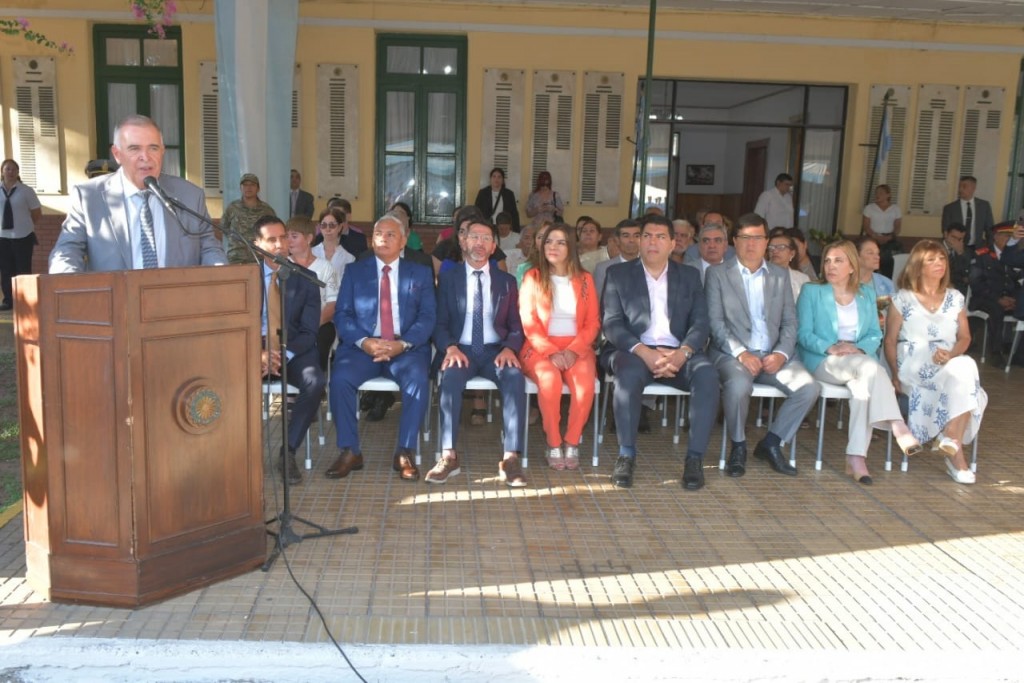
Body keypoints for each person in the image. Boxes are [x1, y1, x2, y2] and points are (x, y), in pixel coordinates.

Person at [601, 215, 720, 490]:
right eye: (647, 236)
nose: (652, 242)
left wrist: (684, 352)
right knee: (627, 376)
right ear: (639, 241)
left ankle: (694, 459)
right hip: (633, 350)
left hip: (678, 351)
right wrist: (644, 352)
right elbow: (612, 324)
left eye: (660, 237)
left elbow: (701, 322)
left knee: (707, 376)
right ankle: (626, 455)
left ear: (673, 243)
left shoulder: (689, 276)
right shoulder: (618, 275)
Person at [796, 241, 923, 485]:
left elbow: (875, 334)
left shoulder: (866, 295)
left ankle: (856, 458)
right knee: (869, 369)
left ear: (852, 266)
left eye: (838, 260)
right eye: (827, 260)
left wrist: (857, 348)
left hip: (859, 360)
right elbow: (803, 333)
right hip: (825, 359)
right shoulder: (811, 291)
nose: (831, 266)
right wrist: (831, 347)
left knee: (862, 390)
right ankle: (897, 423)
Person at [706, 213, 819, 478]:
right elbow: (715, 322)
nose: (751, 244)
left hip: (772, 356)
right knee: (738, 386)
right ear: (735, 241)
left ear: (766, 241)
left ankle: (771, 442)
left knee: (808, 387)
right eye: (744, 238)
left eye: (757, 237)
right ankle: (738, 445)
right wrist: (741, 353)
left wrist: (780, 353)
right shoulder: (718, 274)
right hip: (732, 355)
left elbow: (791, 322)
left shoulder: (780, 275)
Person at [327, 213, 436, 482]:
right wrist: (365, 342)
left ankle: (405, 451)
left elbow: (428, 317)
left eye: (390, 235)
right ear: (371, 240)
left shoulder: (419, 273)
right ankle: (350, 451)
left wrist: (403, 343)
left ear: (402, 243)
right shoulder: (355, 271)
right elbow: (342, 314)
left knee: (418, 380)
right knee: (339, 379)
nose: (383, 239)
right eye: (378, 234)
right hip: (363, 348)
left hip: (405, 348)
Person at [49, 114, 226, 273]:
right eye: (134, 148)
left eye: (153, 148)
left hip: (177, 303)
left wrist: (222, 274)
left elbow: (208, 247)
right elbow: (68, 250)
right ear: (117, 154)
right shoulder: (88, 197)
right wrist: (65, 280)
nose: (145, 157)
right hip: (116, 304)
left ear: (163, 151)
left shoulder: (189, 196)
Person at [432, 218, 527, 487]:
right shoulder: (448, 279)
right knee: (449, 381)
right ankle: (448, 456)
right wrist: (449, 347)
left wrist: (510, 347)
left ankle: (510, 458)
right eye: (474, 237)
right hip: (459, 349)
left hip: (495, 350)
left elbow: (515, 325)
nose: (480, 243)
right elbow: (438, 323)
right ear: (463, 241)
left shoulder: (506, 281)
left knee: (514, 378)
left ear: (494, 246)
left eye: (487, 239)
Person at [885, 240, 987, 484]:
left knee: (965, 367)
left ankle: (952, 443)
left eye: (941, 258)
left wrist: (950, 355)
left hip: (948, 362)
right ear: (918, 266)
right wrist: (895, 374)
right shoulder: (902, 299)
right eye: (931, 260)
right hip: (914, 362)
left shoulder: (955, 297)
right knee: (971, 386)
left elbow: (965, 337)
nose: (939, 263)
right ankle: (953, 448)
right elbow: (889, 341)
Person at [519, 223, 600, 470]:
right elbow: (529, 320)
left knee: (585, 388)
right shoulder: (532, 277)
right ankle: (554, 443)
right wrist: (552, 351)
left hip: (578, 347)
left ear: (570, 247)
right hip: (540, 347)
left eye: (560, 242)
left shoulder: (585, 280)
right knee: (550, 383)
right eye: (549, 242)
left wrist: (574, 350)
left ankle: (572, 442)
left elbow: (592, 322)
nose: (553, 247)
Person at [254, 216, 325, 485]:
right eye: (272, 240)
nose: (280, 244)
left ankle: (288, 451)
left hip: (292, 349)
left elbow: (309, 332)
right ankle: (240, 454)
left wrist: (282, 354)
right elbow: (231, 326)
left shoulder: (306, 279)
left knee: (315, 380)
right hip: (253, 348)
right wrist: (256, 353)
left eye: (284, 238)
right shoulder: (241, 277)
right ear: (257, 243)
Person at [287, 216, 340, 373]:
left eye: (294, 236)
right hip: (289, 325)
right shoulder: (283, 266)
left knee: (319, 339)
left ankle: (315, 383)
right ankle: (290, 392)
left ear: (309, 238)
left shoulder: (325, 267)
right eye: (286, 236)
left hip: (319, 324)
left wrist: (311, 325)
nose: (289, 241)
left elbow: (332, 304)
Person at [968, 223, 1019, 364]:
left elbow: (1017, 281)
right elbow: (976, 283)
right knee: (996, 309)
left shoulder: (1015, 256)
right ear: (996, 237)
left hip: (1008, 299)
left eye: (1012, 237)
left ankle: (1016, 352)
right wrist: (998, 298)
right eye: (1007, 236)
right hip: (984, 298)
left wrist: (1014, 299)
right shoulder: (981, 254)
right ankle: (996, 352)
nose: (1010, 240)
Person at [0, 159, 41, 310]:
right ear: (2, 171)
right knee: (5, 270)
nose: (10, 172)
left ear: (18, 172)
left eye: (13, 169)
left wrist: (25, 226)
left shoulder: (26, 191)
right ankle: (8, 300)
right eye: (7, 169)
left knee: (23, 270)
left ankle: (24, 300)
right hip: (3, 237)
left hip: (23, 236)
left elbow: (36, 213)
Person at [222, 173, 277, 264]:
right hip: (236, 257)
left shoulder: (266, 210)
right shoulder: (233, 207)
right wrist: (234, 240)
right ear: (241, 188)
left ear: (258, 188)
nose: (248, 188)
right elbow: (224, 227)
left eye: (252, 185)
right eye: (245, 185)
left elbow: (273, 230)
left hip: (259, 257)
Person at [942, 175, 994, 248]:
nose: (960, 189)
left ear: (973, 188)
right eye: (959, 186)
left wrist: (990, 247)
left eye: (964, 186)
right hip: (956, 247)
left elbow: (990, 229)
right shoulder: (949, 208)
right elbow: (946, 231)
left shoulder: (984, 206)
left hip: (977, 247)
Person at [594, 219, 641, 299]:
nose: (632, 240)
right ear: (617, 240)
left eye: (636, 236)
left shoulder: (650, 267)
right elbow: (600, 301)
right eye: (626, 236)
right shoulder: (603, 269)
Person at [861, 184, 902, 277]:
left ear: (888, 195)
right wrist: (876, 237)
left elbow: (898, 226)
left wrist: (889, 237)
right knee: (871, 263)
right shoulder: (869, 208)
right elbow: (866, 226)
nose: (877, 195)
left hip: (889, 239)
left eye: (881, 193)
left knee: (888, 264)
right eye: (876, 193)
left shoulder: (895, 209)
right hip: (873, 238)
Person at [311, 207, 356, 288]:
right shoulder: (311, 253)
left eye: (332, 225)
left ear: (339, 227)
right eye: (324, 225)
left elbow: (347, 286)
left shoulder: (349, 258)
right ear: (320, 228)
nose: (328, 229)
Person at [767, 230, 810, 304]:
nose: (775, 251)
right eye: (771, 247)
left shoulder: (803, 279)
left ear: (792, 253)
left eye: (781, 247)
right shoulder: (760, 275)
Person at [474, 167, 520, 232]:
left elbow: (514, 214)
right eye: (494, 176)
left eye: (499, 177)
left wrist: (516, 230)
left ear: (503, 180)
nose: (496, 179)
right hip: (487, 226)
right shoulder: (483, 193)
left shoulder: (509, 194)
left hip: (504, 227)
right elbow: (477, 211)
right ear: (490, 179)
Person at [942, 222, 971, 296]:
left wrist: (960, 254)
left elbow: (967, 274)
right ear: (945, 234)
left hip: (959, 289)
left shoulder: (965, 251)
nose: (956, 241)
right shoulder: (936, 249)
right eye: (953, 237)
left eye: (960, 239)